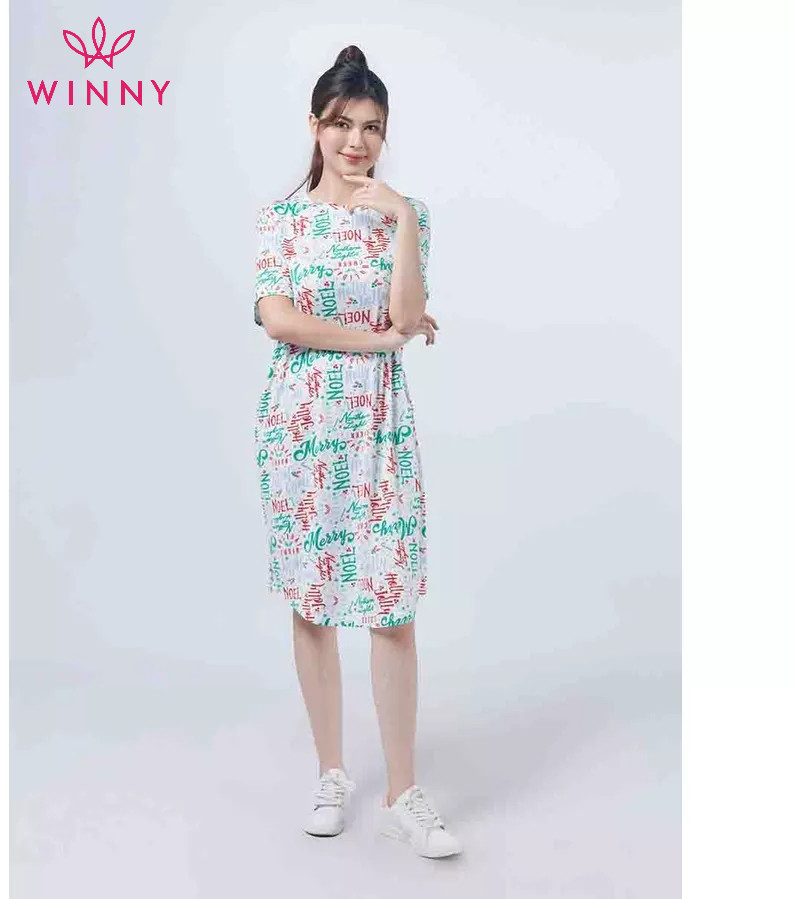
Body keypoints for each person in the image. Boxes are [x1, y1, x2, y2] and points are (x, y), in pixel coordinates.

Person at [252, 44, 462, 859]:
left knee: (391, 605)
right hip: (299, 428)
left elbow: (407, 315)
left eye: (371, 127)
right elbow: (279, 319)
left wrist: (401, 217)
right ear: (314, 125)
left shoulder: (407, 215)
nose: (356, 141)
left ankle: (402, 792)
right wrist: (374, 341)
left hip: (380, 431)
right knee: (311, 603)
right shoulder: (281, 221)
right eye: (342, 123)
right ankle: (330, 772)